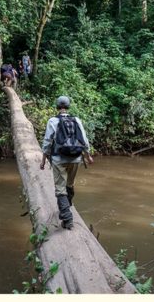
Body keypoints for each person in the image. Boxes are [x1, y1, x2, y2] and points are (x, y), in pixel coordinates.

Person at [40, 95, 95, 230]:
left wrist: (43, 161)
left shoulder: (53, 121)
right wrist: (88, 156)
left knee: (60, 189)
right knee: (69, 184)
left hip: (59, 158)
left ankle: (67, 217)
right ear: (68, 106)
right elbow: (84, 139)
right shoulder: (76, 120)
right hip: (76, 158)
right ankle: (67, 208)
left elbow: (48, 142)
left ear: (57, 107)